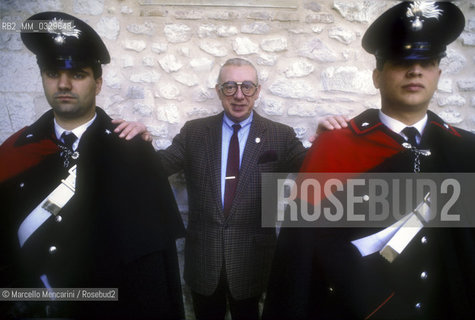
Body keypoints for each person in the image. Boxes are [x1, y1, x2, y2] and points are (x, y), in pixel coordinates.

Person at [263, 1, 475, 319]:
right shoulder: (333, 148)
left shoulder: (465, 150)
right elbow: (298, 257)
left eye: (427, 61)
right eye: (401, 60)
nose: (415, 70)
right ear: (377, 76)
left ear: (439, 73)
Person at [114, 57, 348, 320]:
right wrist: (138, 142)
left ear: (257, 91)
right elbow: (156, 169)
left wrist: (326, 140)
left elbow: (313, 168)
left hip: (254, 261)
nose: (239, 95)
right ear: (218, 91)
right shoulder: (195, 132)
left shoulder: (278, 135)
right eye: (230, 87)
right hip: (204, 261)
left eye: (247, 86)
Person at [0, 12, 185, 319]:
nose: (63, 83)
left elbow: (153, 267)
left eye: (78, 74)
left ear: (98, 83)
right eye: (52, 72)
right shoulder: (14, 150)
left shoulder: (133, 152)